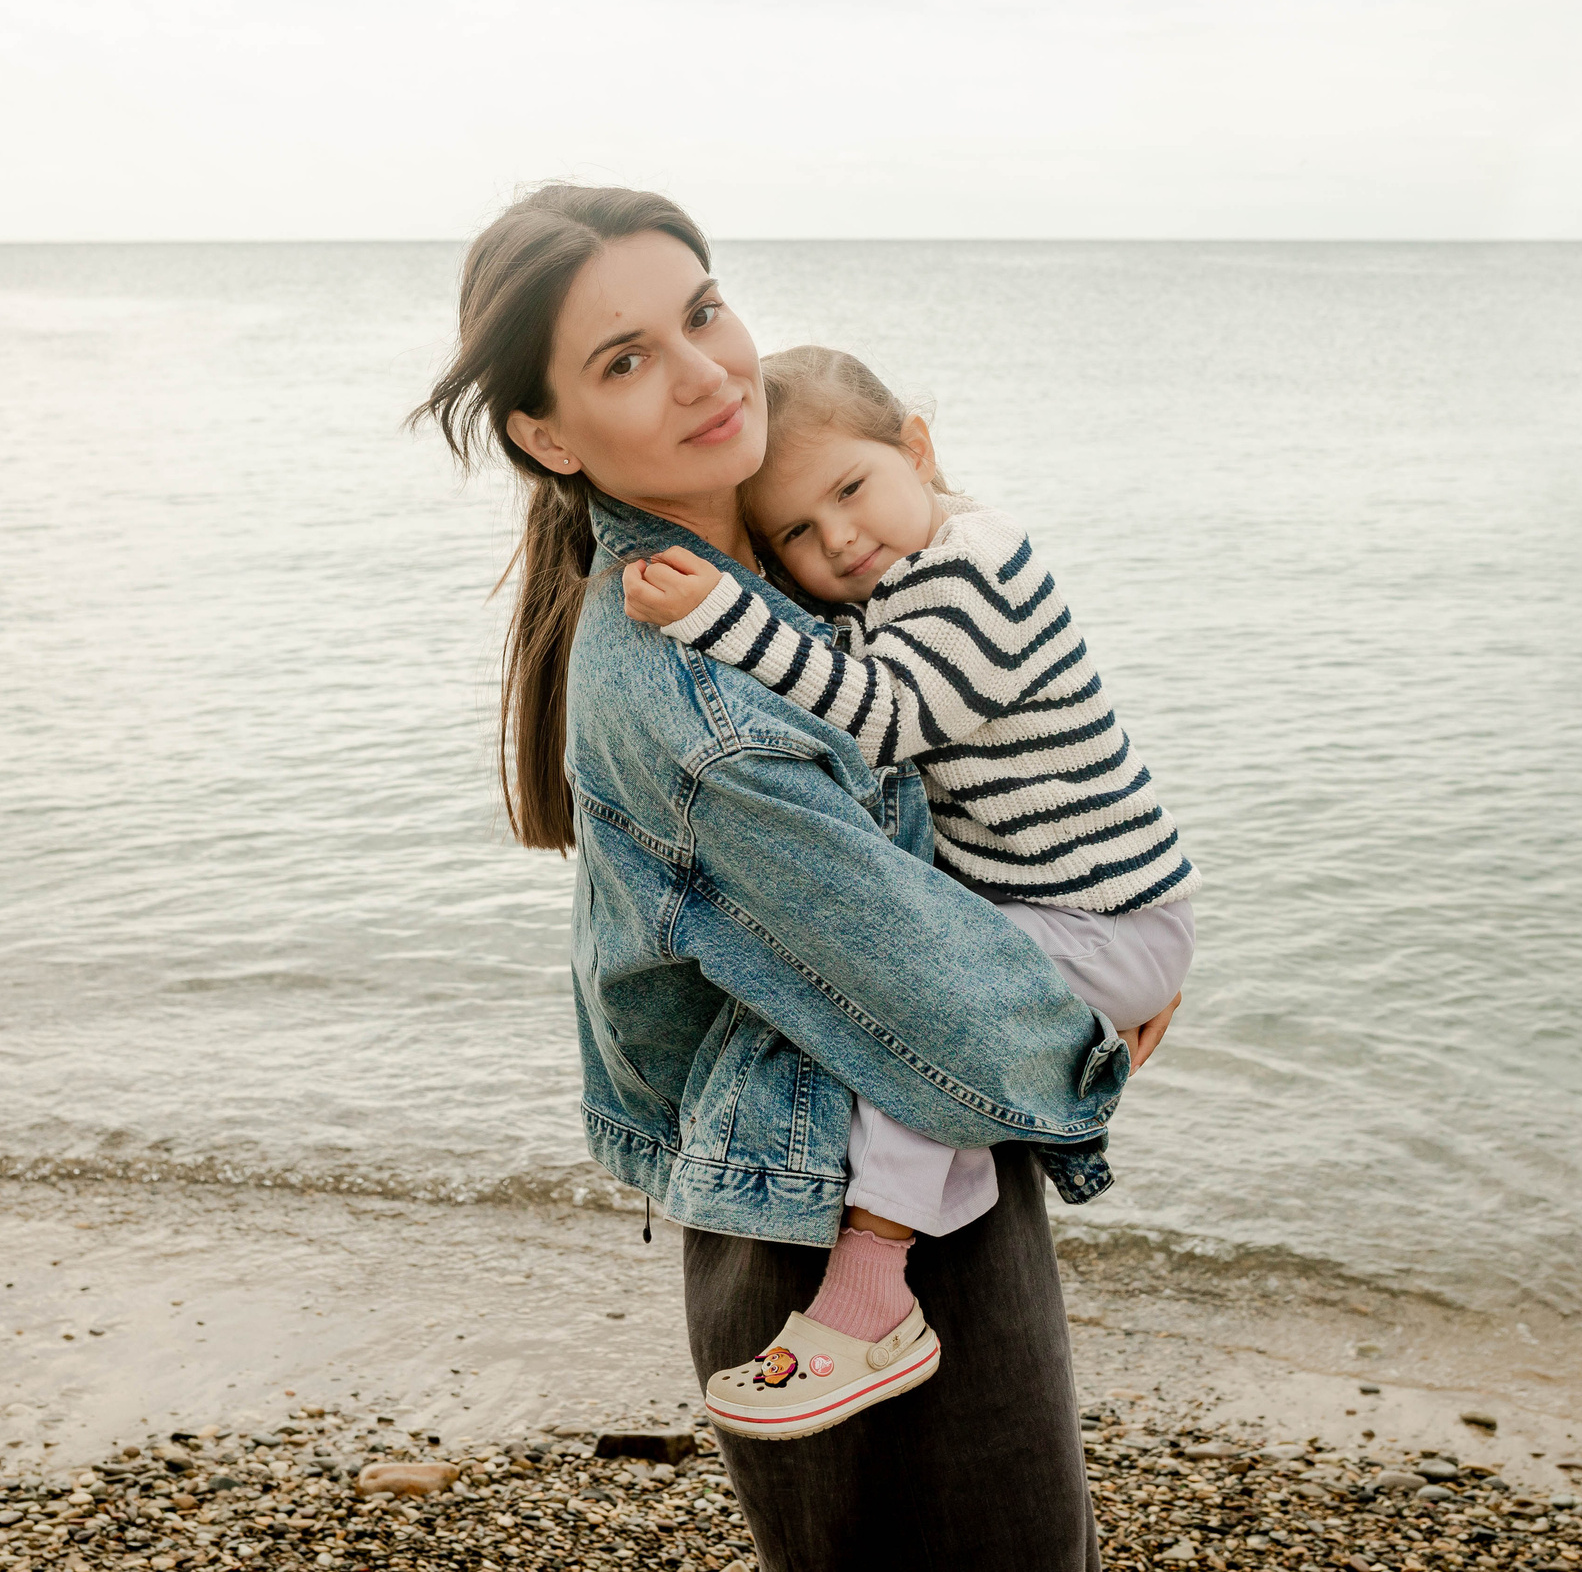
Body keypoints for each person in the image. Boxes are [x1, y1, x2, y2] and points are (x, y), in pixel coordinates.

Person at [413, 184, 1178, 1571]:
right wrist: (1099, 1026)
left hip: (893, 1147)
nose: (707, 372)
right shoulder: (700, 697)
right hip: (837, 1208)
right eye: (625, 359)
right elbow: (922, 977)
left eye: (703, 312)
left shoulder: (772, 562)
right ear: (545, 433)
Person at [620, 344, 1198, 1440]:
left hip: (1106, 915)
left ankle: (872, 1295)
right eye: (796, 530)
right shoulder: (895, 587)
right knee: (920, 1013)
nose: (838, 537)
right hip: (1062, 907)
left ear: (916, 448)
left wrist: (714, 617)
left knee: (918, 1019)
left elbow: (886, 717)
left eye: (850, 488)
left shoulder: (974, 570)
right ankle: (1026, 1105)